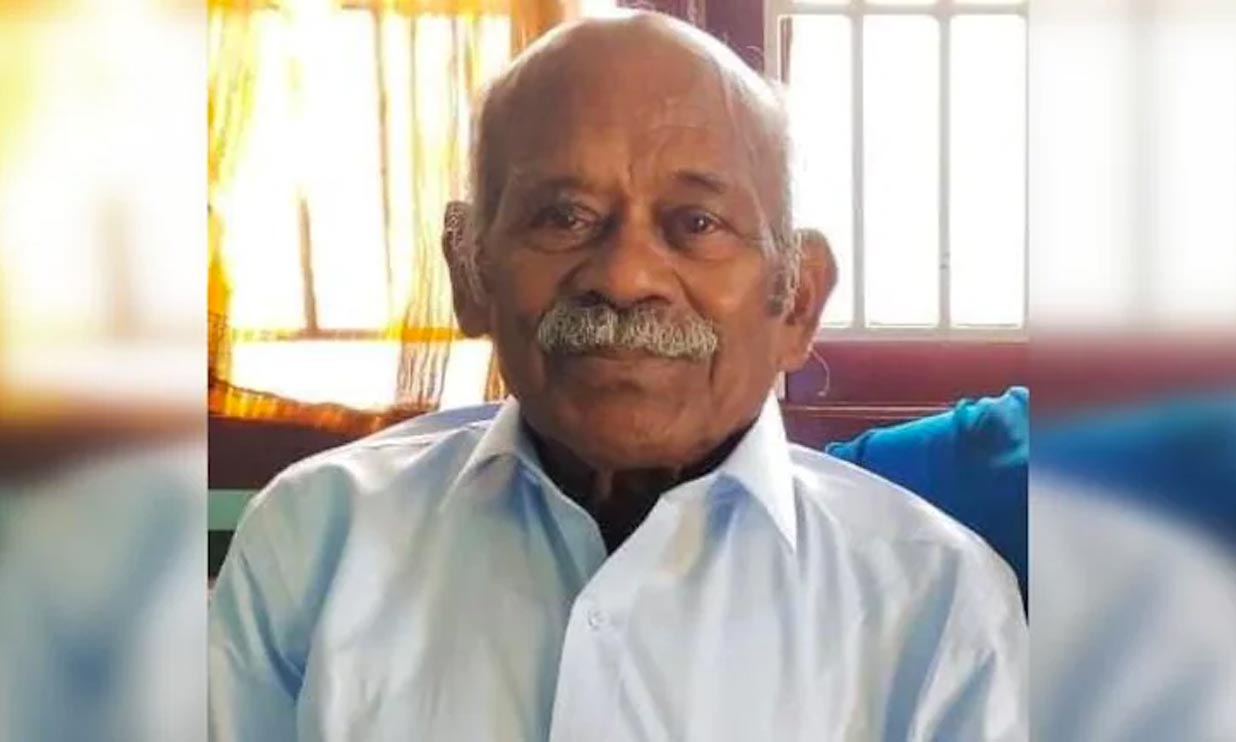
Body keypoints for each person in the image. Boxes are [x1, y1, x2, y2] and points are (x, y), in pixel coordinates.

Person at [209, 11, 1026, 741]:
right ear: (469, 272)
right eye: (564, 217)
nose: (626, 277)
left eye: (696, 222)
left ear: (797, 300)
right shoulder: (313, 542)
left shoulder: (937, 608)